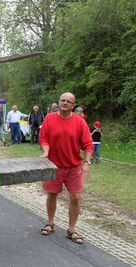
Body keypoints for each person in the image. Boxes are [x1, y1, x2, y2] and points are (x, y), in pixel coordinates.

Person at [39, 92, 93, 245]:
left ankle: (71, 230)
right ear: (58, 102)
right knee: (52, 194)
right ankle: (50, 223)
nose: (65, 103)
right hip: (53, 166)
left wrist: (87, 163)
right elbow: (44, 138)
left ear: (73, 105)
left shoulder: (79, 122)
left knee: (75, 197)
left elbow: (88, 144)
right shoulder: (49, 118)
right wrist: (46, 151)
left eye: (68, 101)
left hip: (74, 167)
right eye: (62, 100)